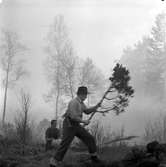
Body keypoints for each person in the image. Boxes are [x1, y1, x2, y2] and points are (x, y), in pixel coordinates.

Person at [49, 86, 101, 167]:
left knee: (89, 138)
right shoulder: (73, 102)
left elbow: (86, 111)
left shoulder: (81, 103)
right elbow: (73, 116)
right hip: (69, 124)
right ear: (81, 94)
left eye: (86, 94)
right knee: (65, 143)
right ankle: (54, 162)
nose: (86, 96)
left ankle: (94, 157)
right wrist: (84, 121)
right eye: (85, 94)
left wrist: (95, 107)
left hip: (76, 125)